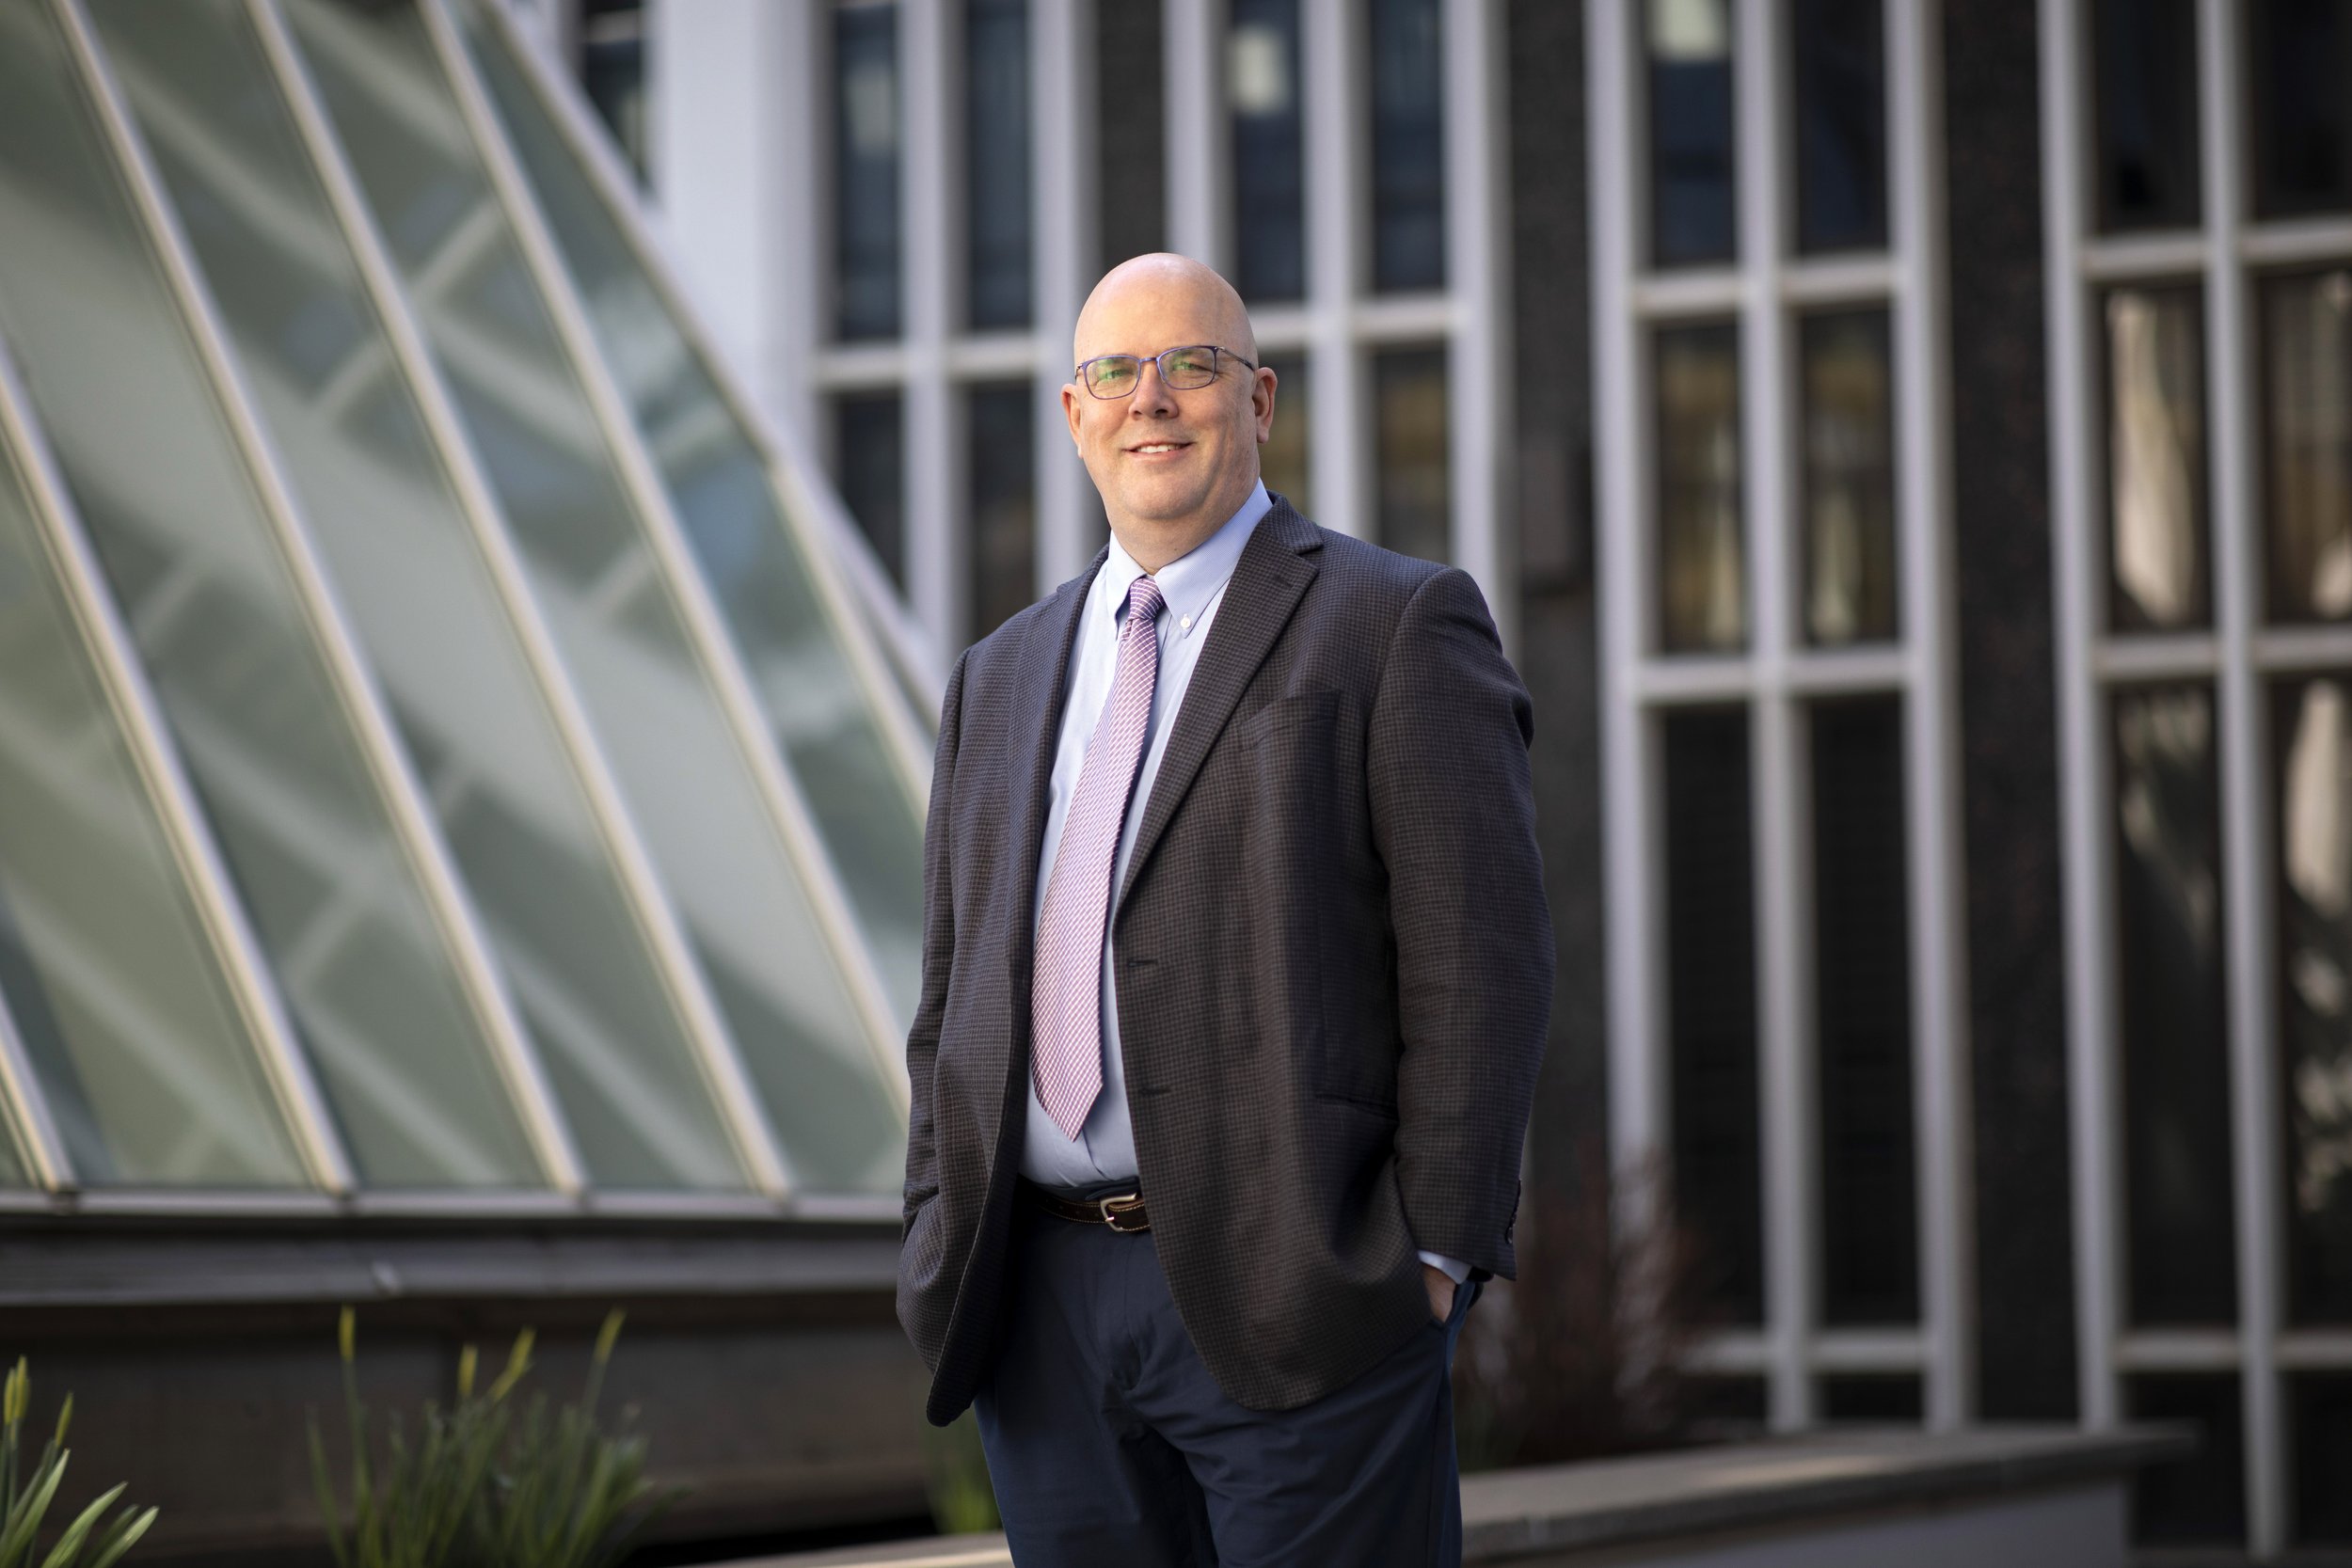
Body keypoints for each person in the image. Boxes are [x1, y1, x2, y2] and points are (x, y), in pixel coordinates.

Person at [897, 252, 1551, 1567]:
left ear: (1259, 401)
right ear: (1074, 417)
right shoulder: (999, 673)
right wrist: (936, 1220)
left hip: (1302, 1295)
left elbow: (1480, 971)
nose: (1154, 400)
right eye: (1116, 374)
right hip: (1042, 1310)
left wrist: (1428, 1263)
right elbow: (954, 993)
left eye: (1190, 366)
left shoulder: (1393, 624)